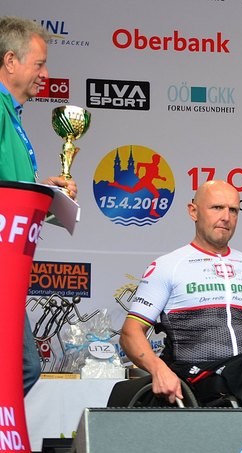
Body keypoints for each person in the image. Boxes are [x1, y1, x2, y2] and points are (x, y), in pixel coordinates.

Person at [120, 180, 242, 453]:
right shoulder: (168, 266)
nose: (226, 217)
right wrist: (159, 370)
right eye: (217, 208)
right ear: (193, 211)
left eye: (233, 210)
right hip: (196, 373)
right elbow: (130, 333)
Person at [0, 16, 78, 395]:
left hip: (10, 265)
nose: (45, 74)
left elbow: (10, 190)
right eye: (39, 64)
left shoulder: (10, 113)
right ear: (10, 61)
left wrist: (45, 195)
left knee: (22, 367)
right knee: (22, 366)